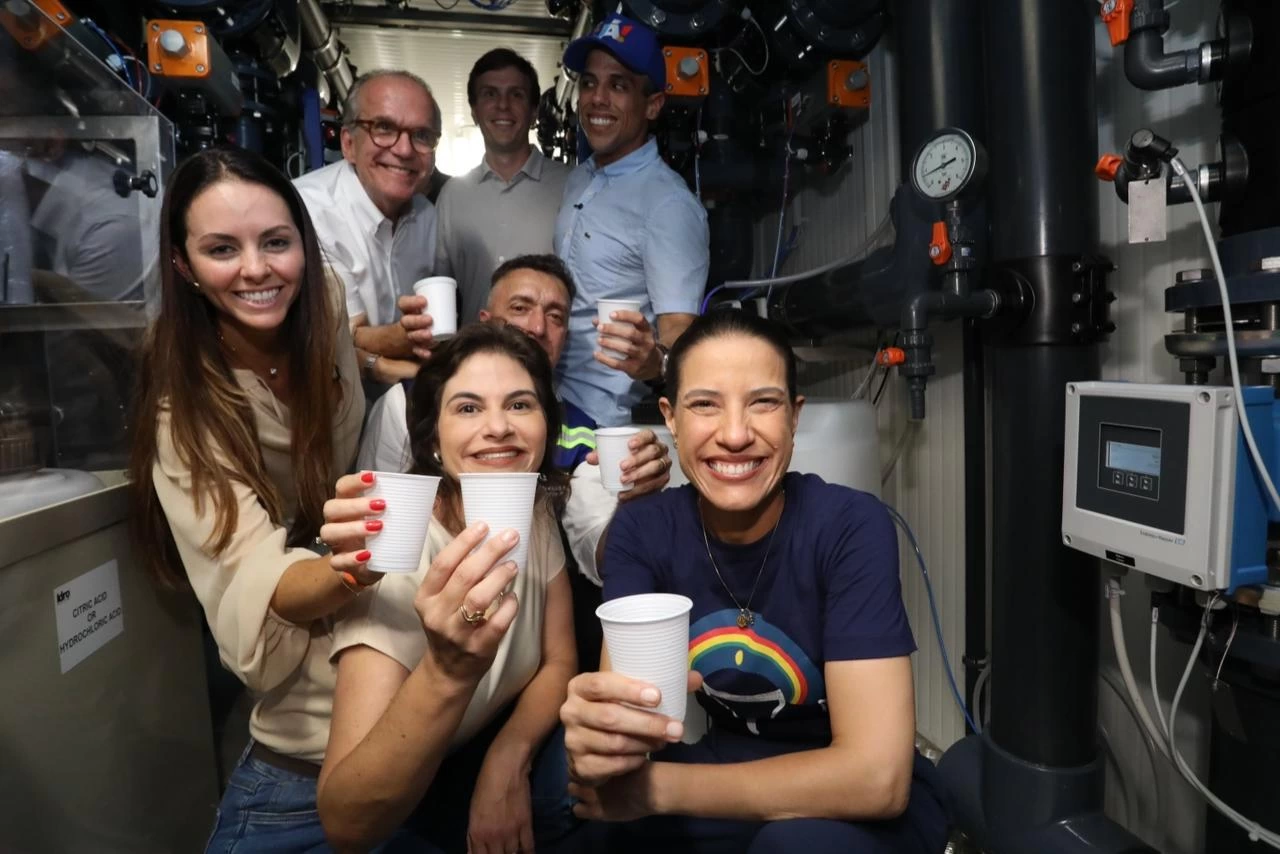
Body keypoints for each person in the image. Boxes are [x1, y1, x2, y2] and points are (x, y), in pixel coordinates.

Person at [558, 310, 951, 853]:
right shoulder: (643, 531)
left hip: (846, 792)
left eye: (763, 402)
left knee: (794, 847)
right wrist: (601, 742)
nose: (735, 435)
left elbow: (875, 779)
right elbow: (629, 729)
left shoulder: (849, 525)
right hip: (725, 767)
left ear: (794, 417)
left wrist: (655, 790)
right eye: (705, 404)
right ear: (671, 419)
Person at [127, 147, 379, 851]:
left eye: (275, 242)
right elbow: (254, 581)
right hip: (271, 608)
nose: (257, 269)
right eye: (221, 250)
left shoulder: (324, 302)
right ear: (183, 267)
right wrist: (363, 561)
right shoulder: (183, 414)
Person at [315, 324, 579, 853]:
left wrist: (508, 761)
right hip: (330, 791)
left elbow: (559, 660)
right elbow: (346, 822)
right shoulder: (399, 549)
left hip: (457, 759)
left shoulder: (530, 506)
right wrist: (448, 669)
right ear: (433, 440)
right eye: (468, 408)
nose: (499, 427)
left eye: (520, 404)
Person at [363, 253, 670, 586]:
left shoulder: (581, 431)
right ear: (486, 321)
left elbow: (598, 547)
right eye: (520, 308)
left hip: (528, 586)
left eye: (555, 316)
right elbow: (375, 529)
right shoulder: (407, 404)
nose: (537, 327)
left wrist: (634, 501)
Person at [554, 13, 710, 426]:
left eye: (619, 86)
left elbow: (680, 335)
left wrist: (655, 362)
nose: (597, 99)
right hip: (557, 403)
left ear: (653, 105)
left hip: (608, 423)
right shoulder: (580, 178)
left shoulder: (668, 205)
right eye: (589, 83)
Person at [295, 69, 442, 386]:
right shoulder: (309, 210)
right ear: (348, 143)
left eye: (421, 135)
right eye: (384, 128)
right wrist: (410, 341)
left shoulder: (427, 216)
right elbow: (348, 334)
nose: (404, 150)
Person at [433, 48, 571, 325]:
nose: (503, 105)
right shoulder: (453, 196)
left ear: (534, 111)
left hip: (550, 352)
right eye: (490, 94)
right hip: (477, 351)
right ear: (474, 112)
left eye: (516, 95)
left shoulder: (573, 187)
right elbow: (439, 290)